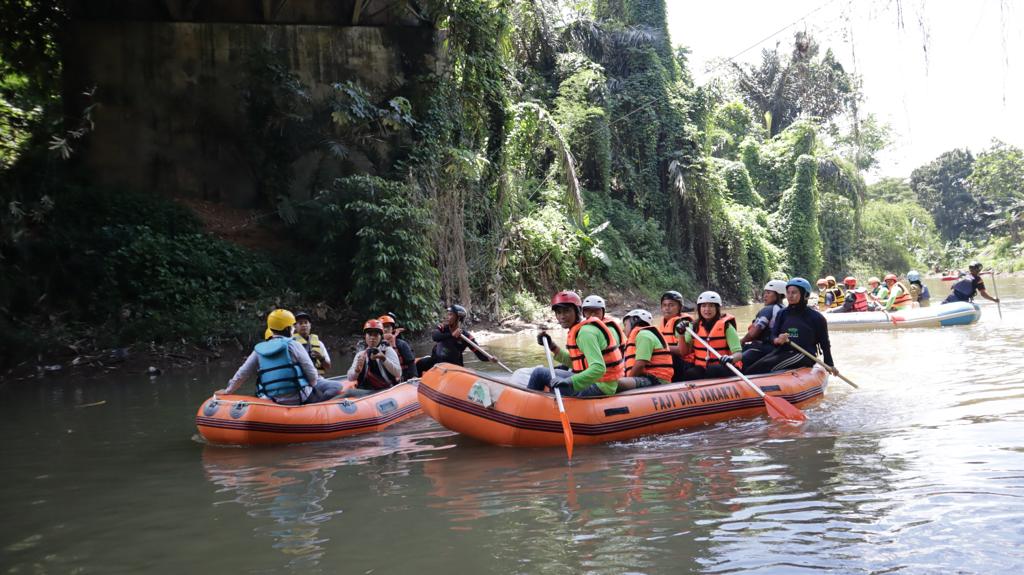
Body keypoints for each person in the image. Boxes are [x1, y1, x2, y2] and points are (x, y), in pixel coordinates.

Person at [216, 309, 343, 405]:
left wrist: (228, 391)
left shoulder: (258, 350)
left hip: (273, 399)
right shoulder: (294, 345)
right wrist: (312, 386)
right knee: (337, 387)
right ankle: (321, 410)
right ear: (288, 328)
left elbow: (242, 373)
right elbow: (312, 375)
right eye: (292, 326)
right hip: (299, 397)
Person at [529, 291, 624, 397]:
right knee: (549, 371)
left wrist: (570, 381)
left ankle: (527, 408)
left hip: (599, 386)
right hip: (597, 382)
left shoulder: (585, 333)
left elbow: (599, 368)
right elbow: (577, 363)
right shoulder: (580, 330)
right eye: (558, 312)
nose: (562, 316)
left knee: (539, 373)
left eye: (566, 311)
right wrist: (552, 346)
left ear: (578, 311)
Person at [744, 278, 838, 376]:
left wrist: (829, 364)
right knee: (751, 365)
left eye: (794, 292)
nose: (790, 296)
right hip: (782, 352)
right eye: (788, 292)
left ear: (805, 295)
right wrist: (777, 340)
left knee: (761, 367)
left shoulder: (816, 317)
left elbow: (825, 343)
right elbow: (773, 336)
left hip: (803, 355)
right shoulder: (782, 314)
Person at [675, 291, 743, 380]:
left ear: (717, 308)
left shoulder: (727, 327)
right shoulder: (693, 327)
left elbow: (738, 354)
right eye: (703, 306)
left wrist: (730, 358)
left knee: (713, 369)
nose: (707, 309)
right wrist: (681, 334)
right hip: (703, 367)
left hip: (726, 367)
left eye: (711, 306)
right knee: (691, 372)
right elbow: (684, 352)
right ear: (699, 308)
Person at [414, 305, 494, 375]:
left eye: (450, 315)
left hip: (453, 366)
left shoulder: (466, 336)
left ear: (458, 318)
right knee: (419, 364)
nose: (447, 317)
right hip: (436, 362)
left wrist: (489, 358)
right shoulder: (443, 328)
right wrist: (451, 335)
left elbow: (479, 354)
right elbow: (435, 337)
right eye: (447, 314)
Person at [616, 309, 674, 390]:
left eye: (625, 325)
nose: (623, 329)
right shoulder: (644, 334)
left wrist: (628, 379)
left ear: (634, 320)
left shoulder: (644, 335)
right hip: (649, 377)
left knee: (615, 384)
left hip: (655, 380)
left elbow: (640, 364)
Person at [345, 319, 402, 395]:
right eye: (369, 334)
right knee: (347, 393)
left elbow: (398, 373)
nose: (372, 337)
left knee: (349, 392)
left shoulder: (388, 350)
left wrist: (384, 359)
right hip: (365, 390)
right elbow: (350, 378)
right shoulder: (360, 355)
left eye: (376, 335)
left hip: (385, 389)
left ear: (380, 337)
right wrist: (356, 371)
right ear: (365, 336)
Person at [741, 280, 788, 366]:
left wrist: (742, 341)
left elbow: (754, 333)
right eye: (765, 293)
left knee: (736, 359)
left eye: (769, 293)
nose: (765, 295)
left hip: (761, 348)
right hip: (776, 349)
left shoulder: (768, 309)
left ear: (778, 295)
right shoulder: (785, 309)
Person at [658, 290, 695, 381]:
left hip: (685, 364)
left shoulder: (685, 324)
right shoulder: (662, 323)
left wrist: (660, 348)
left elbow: (684, 351)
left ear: (679, 307)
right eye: (664, 305)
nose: (667, 308)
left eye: (671, 305)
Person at [379, 314, 416, 381]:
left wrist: (414, 377)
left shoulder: (401, 344)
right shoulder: (377, 346)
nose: (385, 329)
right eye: (383, 327)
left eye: (388, 327)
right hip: (386, 376)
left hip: (403, 374)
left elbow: (411, 362)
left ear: (392, 329)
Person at [293, 311, 331, 376]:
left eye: (306, 322)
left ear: (310, 325)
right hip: (300, 380)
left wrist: (321, 358)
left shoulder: (319, 343)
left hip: (318, 378)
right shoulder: (292, 344)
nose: (304, 325)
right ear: (295, 327)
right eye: (300, 323)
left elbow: (328, 366)